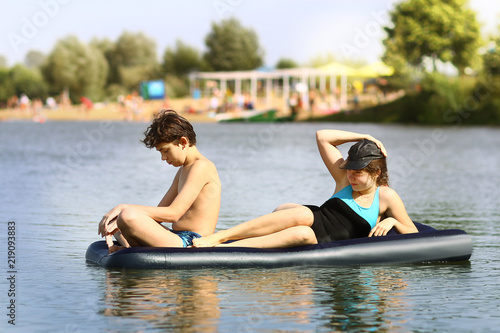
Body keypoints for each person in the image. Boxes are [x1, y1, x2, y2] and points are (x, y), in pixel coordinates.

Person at [193, 129, 418, 248]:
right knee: (302, 214)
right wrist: (364, 136)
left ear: (376, 172)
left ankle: (229, 249)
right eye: (350, 169)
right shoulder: (343, 178)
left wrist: (393, 221)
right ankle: (220, 238)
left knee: (303, 232)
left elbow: (413, 234)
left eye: (358, 172)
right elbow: (323, 136)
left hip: (317, 238)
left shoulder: (386, 196)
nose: (351, 175)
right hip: (313, 217)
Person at [98, 109, 221, 253]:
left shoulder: (202, 166)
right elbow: (158, 216)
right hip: (175, 236)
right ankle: (127, 247)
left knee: (127, 215)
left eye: (165, 150)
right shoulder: (183, 170)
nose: (163, 157)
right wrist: (118, 224)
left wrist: (123, 208)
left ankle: (128, 247)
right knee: (119, 219)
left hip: (191, 241)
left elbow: (174, 214)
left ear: (183, 142)